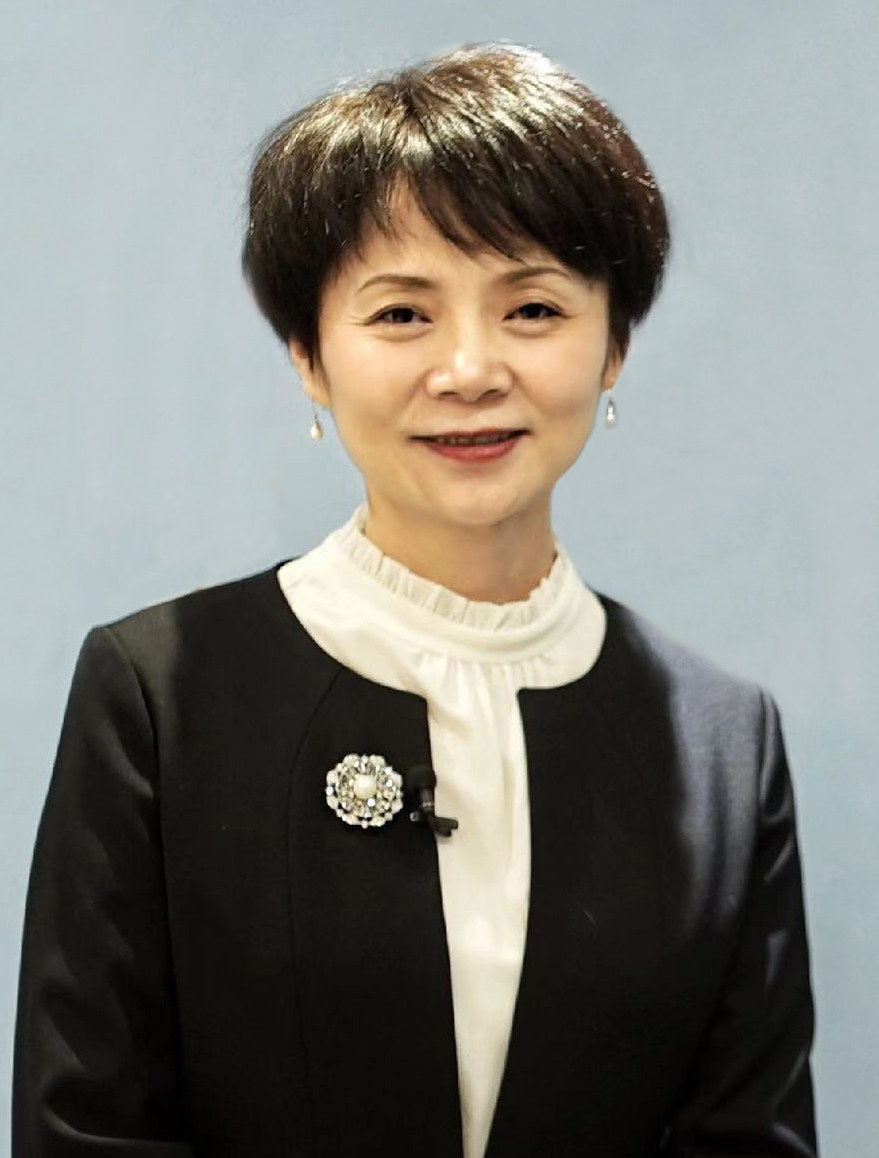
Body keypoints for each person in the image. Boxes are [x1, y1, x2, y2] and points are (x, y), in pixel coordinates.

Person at [12, 40, 819, 1157]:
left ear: (614, 344)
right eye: (401, 315)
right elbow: (84, 1130)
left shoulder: (722, 743)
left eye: (533, 309)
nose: (470, 370)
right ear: (307, 354)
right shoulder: (161, 696)